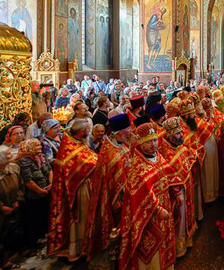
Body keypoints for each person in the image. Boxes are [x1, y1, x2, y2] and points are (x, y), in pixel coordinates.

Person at [118, 123, 176, 270]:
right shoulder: (137, 168)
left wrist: (176, 191)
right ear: (141, 144)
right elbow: (142, 194)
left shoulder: (157, 156)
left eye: (155, 140)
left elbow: (167, 172)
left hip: (165, 206)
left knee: (165, 243)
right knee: (153, 249)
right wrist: (157, 209)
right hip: (149, 216)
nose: (153, 144)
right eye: (149, 142)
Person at [83, 114, 131, 266]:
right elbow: (110, 179)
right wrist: (117, 197)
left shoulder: (120, 145)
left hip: (126, 192)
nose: (131, 131)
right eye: (128, 128)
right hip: (116, 197)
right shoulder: (110, 152)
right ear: (120, 132)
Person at [47, 119, 98, 261]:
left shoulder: (78, 142)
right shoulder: (69, 146)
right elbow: (81, 166)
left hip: (84, 186)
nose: (90, 132)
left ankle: (86, 245)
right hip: (77, 190)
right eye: (88, 129)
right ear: (82, 132)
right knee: (80, 218)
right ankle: (78, 248)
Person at [159, 117, 198, 257]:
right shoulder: (164, 153)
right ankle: (178, 247)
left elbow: (189, 156)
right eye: (177, 134)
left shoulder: (180, 146)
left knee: (187, 214)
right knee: (179, 220)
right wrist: (177, 193)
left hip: (187, 186)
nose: (181, 135)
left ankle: (188, 240)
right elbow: (168, 177)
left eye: (181, 132)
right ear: (169, 136)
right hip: (177, 193)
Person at [16, 139, 52, 247]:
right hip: (33, 196)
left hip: (46, 191)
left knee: (44, 215)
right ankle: (33, 242)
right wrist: (40, 191)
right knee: (34, 218)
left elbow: (50, 170)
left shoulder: (42, 157)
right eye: (37, 145)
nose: (40, 147)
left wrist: (51, 183)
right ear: (29, 148)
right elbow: (28, 180)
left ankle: (43, 236)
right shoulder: (23, 161)